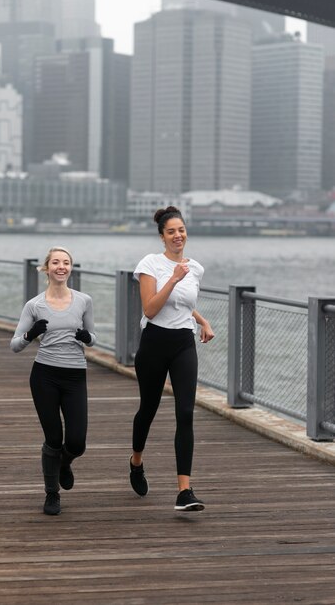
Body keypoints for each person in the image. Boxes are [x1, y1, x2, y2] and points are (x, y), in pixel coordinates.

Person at [129, 206, 214, 511]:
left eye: (181, 230)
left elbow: (182, 305)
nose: (178, 236)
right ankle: (136, 461)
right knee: (148, 410)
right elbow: (150, 308)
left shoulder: (196, 268)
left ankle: (184, 491)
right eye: (171, 231)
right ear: (162, 236)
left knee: (186, 412)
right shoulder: (151, 264)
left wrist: (202, 321)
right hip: (154, 343)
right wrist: (174, 278)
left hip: (183, 343)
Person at [10, 246, 96, 516]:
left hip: (74, 376)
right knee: (54, 437)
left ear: (71, 268)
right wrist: (31, 334)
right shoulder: (34, 305)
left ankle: (64, 463)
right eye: (56, 262)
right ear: (46, 268)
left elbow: (94, 339)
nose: (61, 267)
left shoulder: (84, 301)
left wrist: (86, 338)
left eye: (66, 263)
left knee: (77, 442)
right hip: (44, 375)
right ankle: (51, 494)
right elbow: (14, 345)